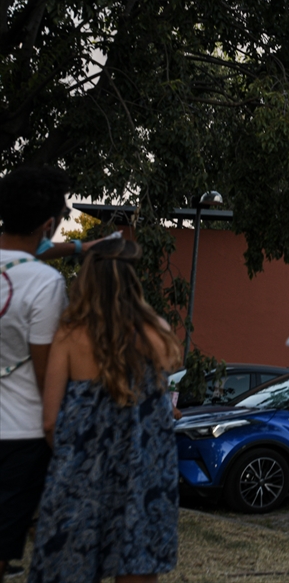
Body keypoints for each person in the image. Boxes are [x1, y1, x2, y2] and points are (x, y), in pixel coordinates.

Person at [29, 238, 183, 583]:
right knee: (137, 566)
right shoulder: (158, 332)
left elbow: (51, 420)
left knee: (70, 568)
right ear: (132, 281)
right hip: (143, 478)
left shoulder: (70, 334)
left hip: (81, 476)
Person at [0, 166, 72, 575]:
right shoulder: (45, 284)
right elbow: (49, 378)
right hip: (20, 436)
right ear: (48, 224)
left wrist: (79, 247)